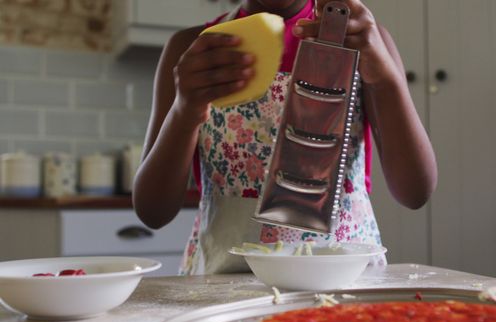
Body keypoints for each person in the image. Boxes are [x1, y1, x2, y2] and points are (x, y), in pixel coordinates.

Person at [133, 0, 437, 275]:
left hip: (342, 278)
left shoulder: (365, 41)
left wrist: (386, 79)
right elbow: (152, 211)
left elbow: (415, 191)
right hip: (225, 282)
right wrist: (184, 111)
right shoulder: (192, 50)